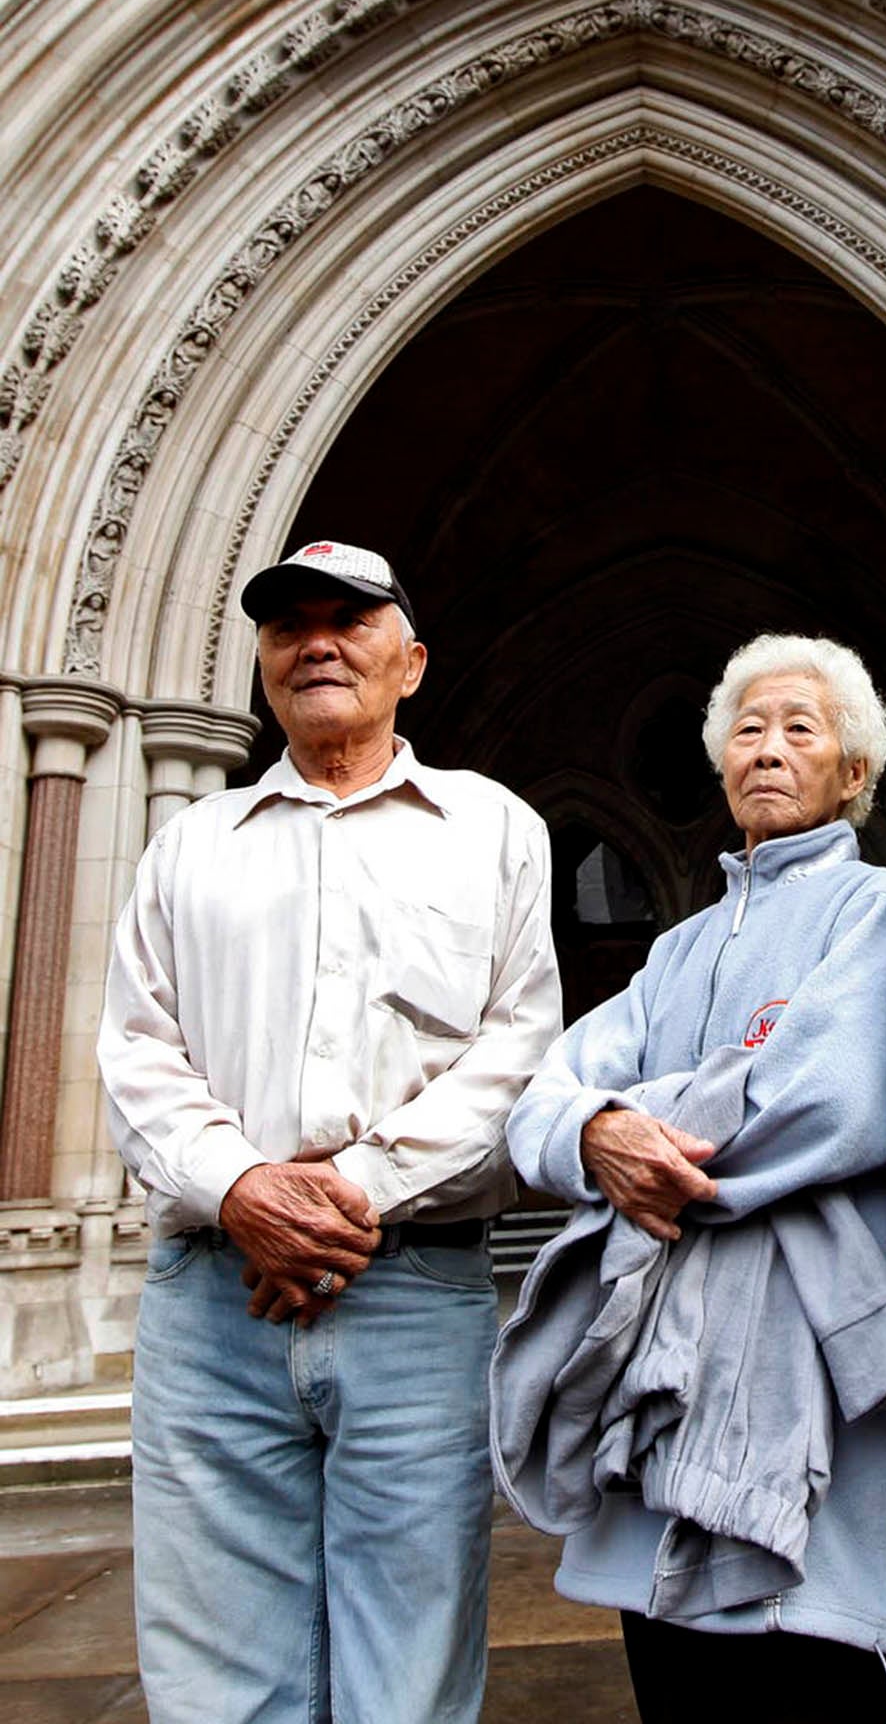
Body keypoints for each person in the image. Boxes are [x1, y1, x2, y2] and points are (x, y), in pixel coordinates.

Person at [97, 538, 561, 1724]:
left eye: (348, 620)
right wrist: (243, 1185)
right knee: (216, 1676)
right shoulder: (188, 845)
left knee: (407, 1669)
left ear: (409, 660)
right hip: (212, 1297)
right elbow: (137, 1052)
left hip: (411, 1295)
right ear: (260, 664)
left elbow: (516, 1049)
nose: (316, 641)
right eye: (287, 623)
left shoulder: (493, 828)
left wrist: (342, 1188)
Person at [496, 634, 886, 1724]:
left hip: (846, 1452)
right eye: (748, 729)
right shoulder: (672, 952)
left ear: (854, 773)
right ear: (720, 766)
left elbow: (826, 1102)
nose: (768, 747)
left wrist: (629, 1125)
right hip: (657, 1459)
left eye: (800, 727)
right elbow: (539, 1103)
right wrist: (591, 1128)